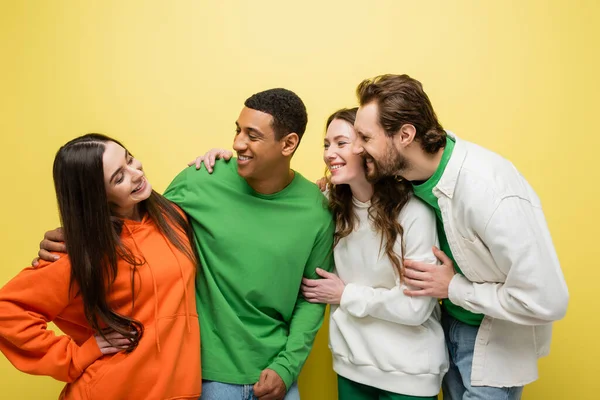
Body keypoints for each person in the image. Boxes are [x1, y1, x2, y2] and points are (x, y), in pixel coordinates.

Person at [35, 89, 335, 400]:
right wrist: (76, 234)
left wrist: (287, 367)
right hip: (204, 377)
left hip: (277, 376)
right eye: (237, 130)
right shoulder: (200, 179)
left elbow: (312, 297)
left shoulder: (317, 210)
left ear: (288, 144)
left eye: (252, 135)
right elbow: (140, 227)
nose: (237, 143)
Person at [351, 74, 569, 399]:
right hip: (446, 326)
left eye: (365, 137)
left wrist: (453, 287)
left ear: (405, 135)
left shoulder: (488, 191)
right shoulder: (408, 176)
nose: (356, 147)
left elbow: (548, 300)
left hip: (490, 338)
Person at [0, 134, 201, 399]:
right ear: (97, 196)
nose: (136, 173)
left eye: (130, 159)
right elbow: (7, 310)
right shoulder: (81, 251)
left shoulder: (172, 217)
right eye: (118, 178)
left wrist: (216, 162)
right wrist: (78, 355)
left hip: (177, 390)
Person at [298, 107, 447, 400]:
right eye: (326, 144)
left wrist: (345, 295)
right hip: (351, 366)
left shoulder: (413, 213)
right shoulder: (330, 205)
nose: (329, 153)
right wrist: (222, 162)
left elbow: (415, 308)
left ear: (368, 148)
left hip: (409, 374)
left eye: (341, 143)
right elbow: (276, 194)